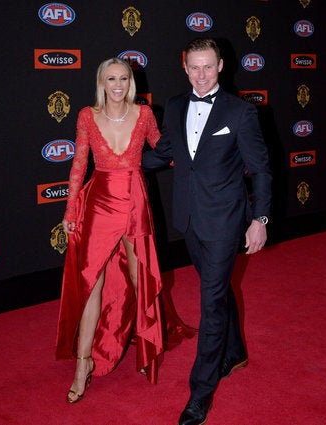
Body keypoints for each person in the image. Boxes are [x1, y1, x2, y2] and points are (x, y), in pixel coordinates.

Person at [142, 38, 272, 425]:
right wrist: (121, 159)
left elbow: (261, 170)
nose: (201, 75)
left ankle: (200, 392)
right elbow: (165, 152)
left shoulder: (241, 112)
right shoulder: (178, 105)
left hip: (225, 219)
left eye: (208, 67)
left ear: (221, 67)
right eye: (194, 67)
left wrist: (259, 220)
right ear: (185, 67)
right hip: (188, 218)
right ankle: (235, 351)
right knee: (217, 289)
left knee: (211, 301)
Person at [55, 57, 194, 404]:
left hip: (134, 202)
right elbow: (79, 163)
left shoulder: (144, 114)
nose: (117, 84)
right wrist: (71, 207)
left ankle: (146, 349)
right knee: (92, 287)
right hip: (98, 204)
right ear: (101, 82)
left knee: (140, 278)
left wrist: (199, 157)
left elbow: (164, 151)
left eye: (123, 78)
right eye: (111, 78)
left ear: (130, 81)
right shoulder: (88, 115)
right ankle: (83, 365)